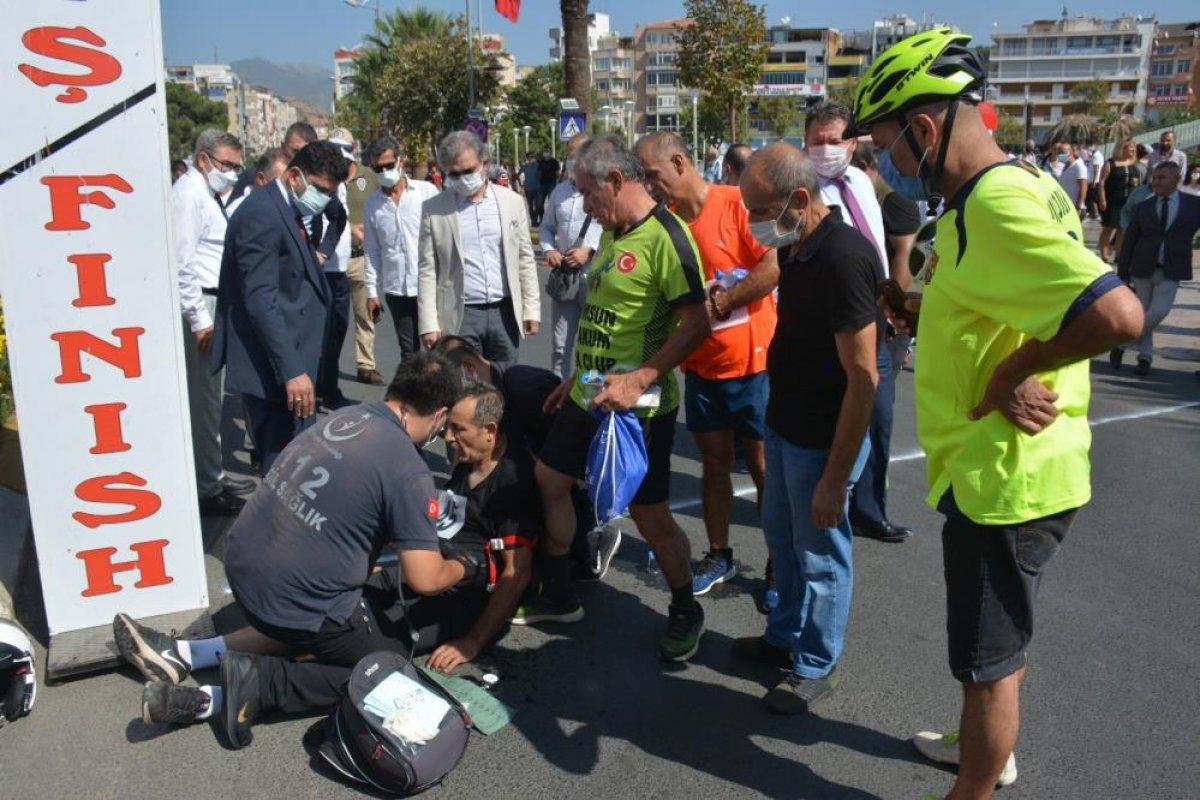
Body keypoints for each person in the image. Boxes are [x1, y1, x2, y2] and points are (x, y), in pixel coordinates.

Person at [856, 28, 1143, 798]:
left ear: (924, 128)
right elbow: (1004, 297)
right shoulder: (997, 193)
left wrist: (1018, 365)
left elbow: (1118, 314)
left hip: (1006, 484)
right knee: (995, 649)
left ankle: (975, 786)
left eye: (889, 146)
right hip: (1012, 471)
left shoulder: (998, 202)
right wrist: (921, 309)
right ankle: (979, 752)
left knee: (990, 666)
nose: (888, 164)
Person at [112, 353, 482, 746]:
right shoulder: (408, 466)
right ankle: (260, 686)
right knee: (384, 670)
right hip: (289, 596)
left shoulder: (345, 416)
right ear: (440, 414)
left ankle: (185, 657)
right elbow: (424, 578)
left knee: (311, 613)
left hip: (245, 565)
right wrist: (467, 566)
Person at [532, 135, 711, 661]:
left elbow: (698, 322)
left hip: (643, 403)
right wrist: (577, 375)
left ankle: (684, 607)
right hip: (589, 388)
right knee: (551, 478)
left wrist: (640, 379)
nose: (583, 206)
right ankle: (562, 590)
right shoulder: (612, 231)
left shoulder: (668, 237)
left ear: (615, 181)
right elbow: (602, 315)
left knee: (649, 513)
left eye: (587, 193)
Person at [731, 142, 879, 715]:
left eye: (761, 209)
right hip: (787, 425)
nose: (754, 223)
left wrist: (835, 479)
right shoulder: (797, 248)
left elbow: (863, 380)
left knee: (821, 554)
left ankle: (817, 664)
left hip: (824, 438)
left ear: (798, 198)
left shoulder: (844, 258)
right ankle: (782, 639)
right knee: (784, 543)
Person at [634, 131, 778, 596]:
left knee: (762, 466)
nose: (649, 185)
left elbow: (773, 265)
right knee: (714, 464)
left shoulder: (736, 203)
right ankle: (720, 555)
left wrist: (723, 303)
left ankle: (781, 560)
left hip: (755, 365)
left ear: (678, 161)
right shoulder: (668, 224)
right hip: (701, 369)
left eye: (652, 175)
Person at [805, 101, 913, 544]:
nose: (827, 149)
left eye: (835, 141)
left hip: (877, 324)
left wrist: (893, 300)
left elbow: (878, 250)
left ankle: (870, 509)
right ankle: (827, 505)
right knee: (832, 425)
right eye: (818, 141)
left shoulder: (859, 183)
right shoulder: (802, 192)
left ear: (852, 143)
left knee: (879, 420)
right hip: (831, 331)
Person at [433, 336, 623, 582]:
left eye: (452, 389)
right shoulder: (487, 396)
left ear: (469, 368)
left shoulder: (523, 384)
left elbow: (575, 441)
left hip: (563, 481)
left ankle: (591, 543)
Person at [212, 141, 350, 474]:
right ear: (293, 175)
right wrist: (291, 370)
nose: (322, 198)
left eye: (328, 192)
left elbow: (336, 215)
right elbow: (260, 301)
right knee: (285, 472)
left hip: (295, 362)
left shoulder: (289, 206)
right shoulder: (262, 214)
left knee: (297, 466)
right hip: (276, 372)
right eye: (318, 189)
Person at [424, 382, 541, 672]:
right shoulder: (470, 456)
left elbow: (516, 572)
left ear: (490, 431)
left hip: (465, 590)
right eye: (448, 427)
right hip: (434, 562)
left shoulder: (513, 484)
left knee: (379, 628)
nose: (448, 438)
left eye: (458, 429)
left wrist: (473, 641)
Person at [172, 129, 256, 516]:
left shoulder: (205, 193)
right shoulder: (189, 195)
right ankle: (207, 486)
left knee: (211, 398)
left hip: (213, 301)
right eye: (227, 165)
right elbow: (182, 264)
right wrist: (200, 319)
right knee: (205, 400)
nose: (234, 174)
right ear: (203, 160)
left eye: (238, 167)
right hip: (201, 305)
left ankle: (210, 472)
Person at [417, 131, 540, 363]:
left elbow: (524, 258)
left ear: (485, 164)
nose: (462, 178)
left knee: (506, 381)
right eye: (454, 174)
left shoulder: (511, 202)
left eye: (468, 171)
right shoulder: (434, 210)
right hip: (460, 313)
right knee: (464, 385)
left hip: (503, 312)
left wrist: (531, 308)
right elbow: (427, 269)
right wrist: (428, 323)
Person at [1112, 161, 1200, 377]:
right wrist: (1122, 272)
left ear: (1176, 179)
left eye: (1162, 177)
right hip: (1142, 267)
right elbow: (1130, 239)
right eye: (1155, 177)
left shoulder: (1193, 204)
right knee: (1143, 311)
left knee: (1158, 312)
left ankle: (1122, 345)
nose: (1156, 181)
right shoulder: (1144, 206)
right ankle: (1145, 357)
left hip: (1172, 267)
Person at [362, 136, 439, 365]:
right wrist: (372, 293)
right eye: (378, 168)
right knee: (409, 353)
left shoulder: (427, 193)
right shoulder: (373, 205)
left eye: (388, 165)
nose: (384, 171)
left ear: (400, 161)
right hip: (397, 289)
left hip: (430, 285)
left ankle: (441, 399)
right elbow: (372, 251)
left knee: (438, 349)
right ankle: (413, 399)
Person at [540, 134, 603, 377]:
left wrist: (590, 249)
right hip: (566, 278)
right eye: (569, 155)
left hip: (595, 277)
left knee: (594, 345)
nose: (571, 161)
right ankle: (558, 399)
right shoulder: (559, 193)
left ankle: (591, 400)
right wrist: (549, 250)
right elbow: (546, 227)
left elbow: (616, 230)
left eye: (577, 155)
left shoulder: (603, 189)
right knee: (560, 346)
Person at [315, 132, 354, 410]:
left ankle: (328, 388)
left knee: (337, 332)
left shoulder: (342, 187)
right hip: (321, 272)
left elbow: (340, 220)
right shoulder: (319, 186)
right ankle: (318, 390)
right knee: (319, 337)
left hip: (341, 270)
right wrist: (320, 252)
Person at [343, 137, 384, 386]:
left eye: (346, 148)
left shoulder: (369, 176)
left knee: (365, 314)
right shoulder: (327, 177)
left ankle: (365, 365)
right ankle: (323, 369)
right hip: (333, 261)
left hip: (360, 257)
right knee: (332, 321)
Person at [1096, 138, 1137, 262]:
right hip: (1112, 201)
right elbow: (1102, 182)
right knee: (1108, 227)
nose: (1133, 150)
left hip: (1127, 201)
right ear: (1122, 148)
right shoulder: (1111, 163)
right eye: (1131, 147)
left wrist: (1136, 182)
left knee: (1123, 229)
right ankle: (1104, 254)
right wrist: (1102, 199)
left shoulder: (1133, 162)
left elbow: (1137, 179)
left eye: (1134, 148)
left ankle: (1118, 254)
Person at [1056, 143, 1089, 216]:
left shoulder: (1078, 166)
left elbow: (1083, 187)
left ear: (1071, 152)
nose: (1060, 155)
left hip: (1075, 208)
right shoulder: (1064, 166)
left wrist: (1079, 207)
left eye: (1063, 152)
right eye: (1059, 153)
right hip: (1065, 207)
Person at [1084, 139, 1104, 219]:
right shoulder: (1096, 154)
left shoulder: (1096, 155)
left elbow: (1096, 168)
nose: (1089, 147)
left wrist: (1094, 181)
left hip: (1094, 181)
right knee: (1092, 198)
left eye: (1091, 145)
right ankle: (1095, 213)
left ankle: (1096, 214)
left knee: (1092, 198)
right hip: (1094, 180)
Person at [537, 148, 561, 213]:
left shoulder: (554, 161)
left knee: (551, 203)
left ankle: (551, 220)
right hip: (542, 184)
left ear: (550, 153)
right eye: (545, 151)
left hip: (552, 184)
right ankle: (542, 218)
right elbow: (539, 172)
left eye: (547, 151)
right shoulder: (541, 162)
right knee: (539, 204)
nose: (546, 153)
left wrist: (559, 183)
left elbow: (558, 173)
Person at [521, 154, 542, 224]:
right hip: (528, 189)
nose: (531, 159)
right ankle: (533, 221)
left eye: (532, 157)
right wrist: (522, 186)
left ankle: (535, 219)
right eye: (530, 158)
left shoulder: (538, 166)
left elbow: (541, 175)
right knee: (530, 206)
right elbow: (518, 175)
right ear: (527, 158)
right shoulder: (525, 167)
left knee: (537, 205)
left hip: (537, 189)